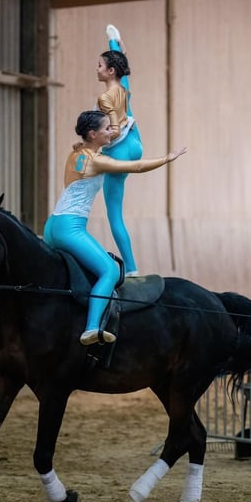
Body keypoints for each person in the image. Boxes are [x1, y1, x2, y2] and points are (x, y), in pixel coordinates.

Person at [43, 110, 186, 346]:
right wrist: (167, 158)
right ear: (92, 133)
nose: (112, 131)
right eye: (107, 128)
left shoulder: (77, 152)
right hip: (70, 228)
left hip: (53, 226)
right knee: (109, 270)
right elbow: (137, 166)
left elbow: (81, 146)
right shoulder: (96, 161)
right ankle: (91, 329)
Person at [96, 24, 144, 276]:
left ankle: (133, 268)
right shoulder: (122, 83)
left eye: (100, 66)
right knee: (129, 105)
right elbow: (122, 67)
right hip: (136, 143)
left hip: (121, 152)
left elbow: (113, 129)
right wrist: (116, 42)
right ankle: (115, 40)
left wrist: (91, 143)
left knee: (115, 215)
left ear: (110, 70)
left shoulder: (104, 98)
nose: (97, 69)